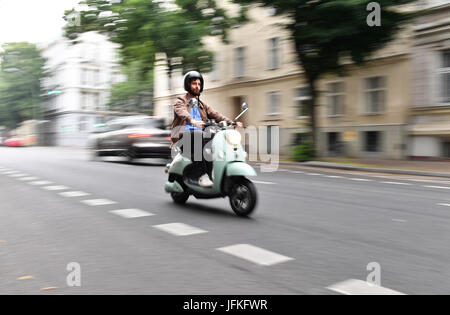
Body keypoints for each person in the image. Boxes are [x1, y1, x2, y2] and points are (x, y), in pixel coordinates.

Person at [171, 71, 242, 187]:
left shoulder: (202, 104)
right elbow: (181, 112)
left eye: (199, 84)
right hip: (183, 136)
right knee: (200, 136)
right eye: (194, 83)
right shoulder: (180, 101)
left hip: (199, 134)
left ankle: (216, 173)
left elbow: (216, 114)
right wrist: (192, 120)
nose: (197, 86)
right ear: (188, 85)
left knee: (217, 138)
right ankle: (202, 175)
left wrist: (232, 122)